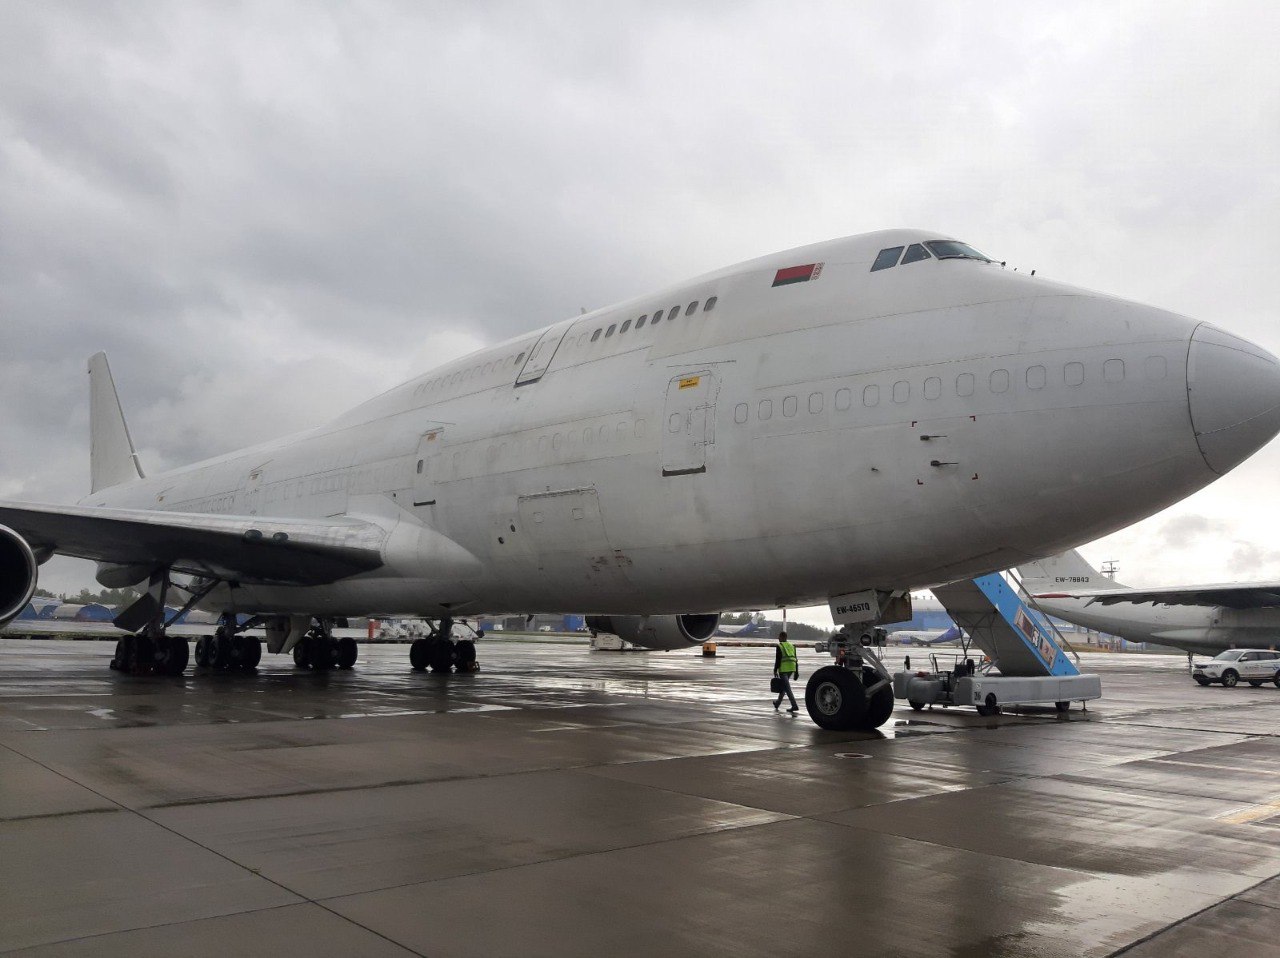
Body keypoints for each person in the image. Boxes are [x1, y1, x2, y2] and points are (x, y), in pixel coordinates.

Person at [773, 630, 800, 712]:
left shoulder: (780, 646)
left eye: (779, 636)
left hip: (784, 669)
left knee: (787, 689)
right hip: (792, 668)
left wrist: (775, 670)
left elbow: (778, 659)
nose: (778, 638)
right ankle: (777, 703)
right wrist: (796, 671)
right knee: (784, 686)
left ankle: (794, 705)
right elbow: (795, 659)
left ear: (782, 637)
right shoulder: (792, 645)